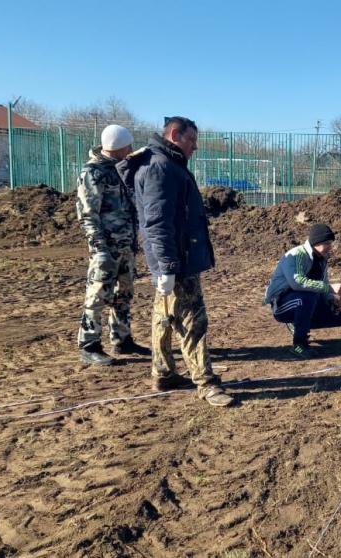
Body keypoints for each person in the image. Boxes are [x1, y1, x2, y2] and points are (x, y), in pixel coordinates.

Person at [116, 116, 233, 407]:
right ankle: (206, 383)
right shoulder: (161, 168)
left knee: (163, 317)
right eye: (191, 139)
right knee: (193, 321)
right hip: (177, 260)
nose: (195, 146)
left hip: (171, 258)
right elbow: (157, 222)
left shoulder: (165, 164)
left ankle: (164, 372)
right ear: (173, 135)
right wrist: (167, 267)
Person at [76, 124, 150, 365]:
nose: (130, 149)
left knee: (124, 294)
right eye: (128, 146)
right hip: (105, 248)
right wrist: (99, 249)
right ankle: (89, 345)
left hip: (125, 245)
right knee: (97, 295)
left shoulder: (120, 168)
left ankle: (122, 339)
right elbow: (87, 215)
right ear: (118, 147)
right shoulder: (93, 173)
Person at [263, 223, 341, 359]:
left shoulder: (321, 258)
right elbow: (298, 282)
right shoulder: (296, 255)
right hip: (281, 304)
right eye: (327, 243)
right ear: (316, 242)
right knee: (306, 297)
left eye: (330, 243)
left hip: (303, 300)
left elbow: (322, 281)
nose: (330, 247)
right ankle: (299, 345)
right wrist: (330, 288)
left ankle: (298, 325)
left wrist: (329, 299)